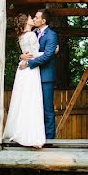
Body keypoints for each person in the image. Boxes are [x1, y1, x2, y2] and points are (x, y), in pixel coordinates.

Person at [2, 14, 45, 148]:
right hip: (30, 69)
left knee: (21, 100)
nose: (32, 19)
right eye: (30, 18)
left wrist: (22, 57)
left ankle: (18, 130)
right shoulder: (31, 35)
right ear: (26, 21)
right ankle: (29, 135)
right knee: (31, 99)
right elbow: (34, 55)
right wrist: (50, 52)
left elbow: (26, 54)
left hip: (22, 68)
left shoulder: (21, 36)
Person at [21, 8, 57, 139]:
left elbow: (47, 55)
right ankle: (36, 136)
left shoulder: (51, 35)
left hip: (45, 76)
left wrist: (29, 63)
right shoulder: (33, 33)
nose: (34, 19)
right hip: (32, 76)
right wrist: (22, 56)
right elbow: (28, 50)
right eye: (34, 17)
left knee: (47, 108)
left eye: (37, 17)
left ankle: (49, 139)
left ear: (44, 20)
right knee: (34, 107)